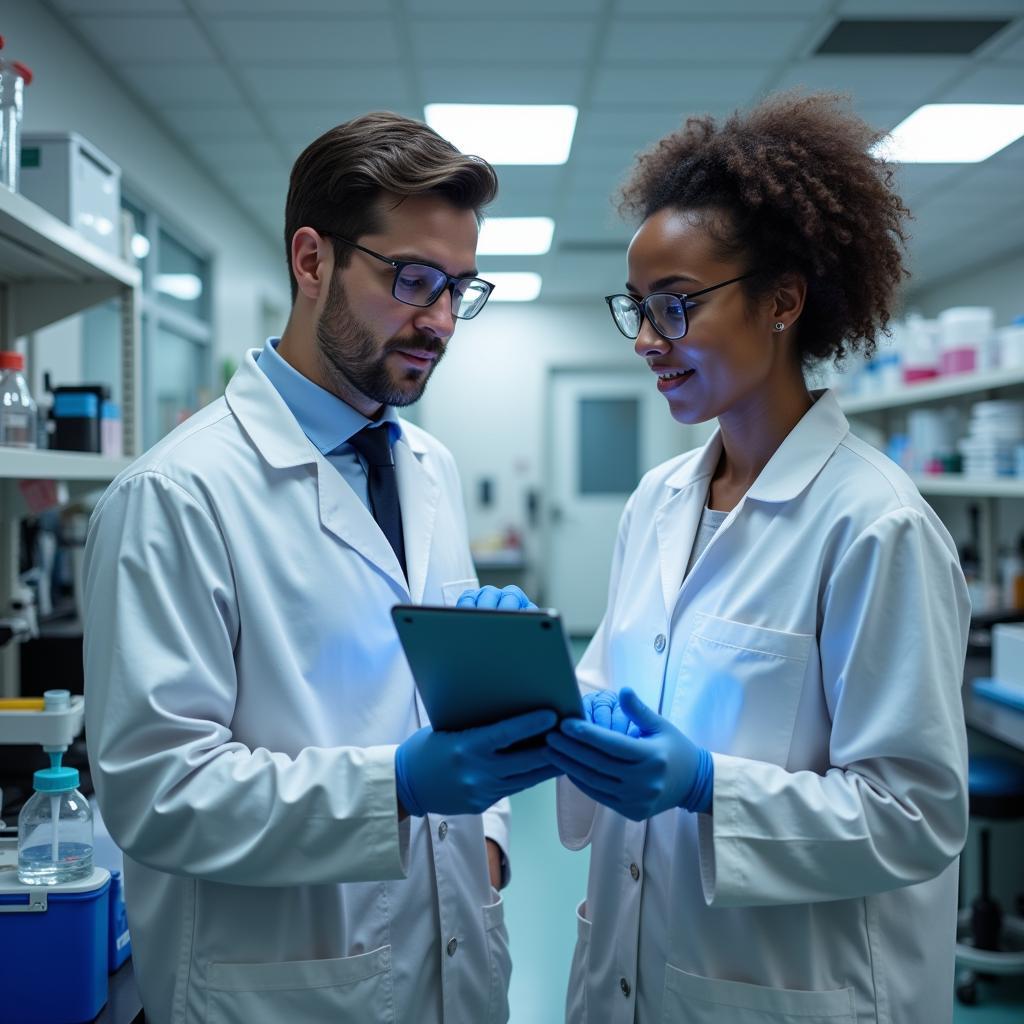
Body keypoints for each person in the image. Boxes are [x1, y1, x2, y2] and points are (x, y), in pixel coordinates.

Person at [83, 112, 559, 1024]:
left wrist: (485, 840)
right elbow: (157, 797)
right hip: (282, 992)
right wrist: (400, 788)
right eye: (414, 279)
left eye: (462, 288)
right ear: (312, 261)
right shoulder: (176, 497)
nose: (442, 321)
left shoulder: (428, 470)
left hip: (453, 968)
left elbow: (444, 713)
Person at [545, 93, 971, 1023]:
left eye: (676, 307)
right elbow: (614, 681)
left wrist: (706, 787)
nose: (649, 342)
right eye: (638, 310)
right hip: (634, 966)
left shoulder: (875, 526)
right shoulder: (656, 504)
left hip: (789, 990)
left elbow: (915, 817)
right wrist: (549, 703)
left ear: (782, 300)